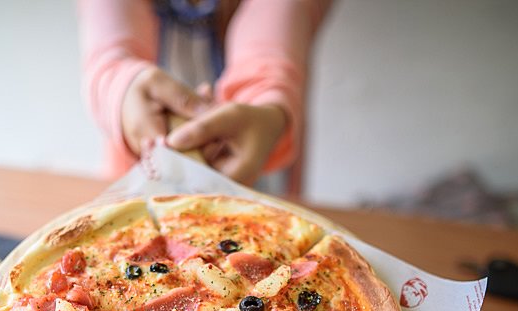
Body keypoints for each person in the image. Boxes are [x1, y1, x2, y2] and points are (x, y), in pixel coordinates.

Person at [78, 0, 332, 194]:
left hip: (259, 152)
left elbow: (271, 58)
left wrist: (269, 110)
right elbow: (109, 54)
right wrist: (123, 87)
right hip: (137, 161)